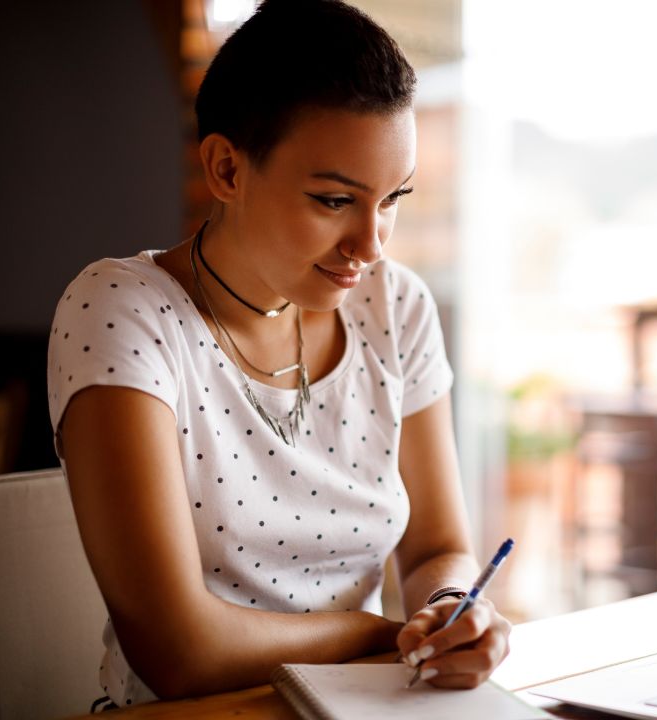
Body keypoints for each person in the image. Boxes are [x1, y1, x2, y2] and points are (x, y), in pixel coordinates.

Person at [46, 0, 510, 706]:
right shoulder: (124, 311)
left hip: (366, 705)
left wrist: (450, 609)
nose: (372, 244)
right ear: (227, 169)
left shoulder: (396, 306)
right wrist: (381, 637)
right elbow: (178, 653)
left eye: (393, 199)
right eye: (333, 200)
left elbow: (435, 545)